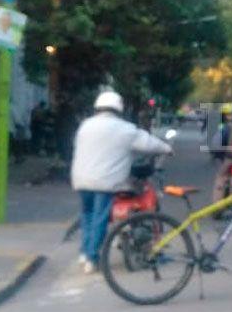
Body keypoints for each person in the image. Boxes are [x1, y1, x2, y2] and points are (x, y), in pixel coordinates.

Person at [70, 91, 173, 274]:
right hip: (105, 182)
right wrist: (167, 148)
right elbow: (148, 143)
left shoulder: (85, 126)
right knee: (100, 219)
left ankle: (84, 253)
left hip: (81, 180)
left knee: (87, 216)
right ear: (119, 109)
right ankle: (92, 259)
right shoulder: (124, 128)